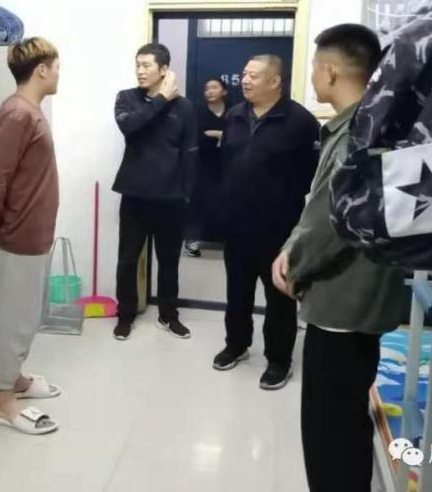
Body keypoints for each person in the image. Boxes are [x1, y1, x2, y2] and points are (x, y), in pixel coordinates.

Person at [271, 25, 404, 491]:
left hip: (343, 304)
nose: (312, 76)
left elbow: (333, 220)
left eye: (314, 67)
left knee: (330, 431)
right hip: (357, 301)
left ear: (329, 70)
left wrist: (293, 262)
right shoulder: (371, 123)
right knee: (343, 421)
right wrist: (293, 247)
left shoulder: (356, 135)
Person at [212, 55, 320, 390]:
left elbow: (311, 175)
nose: (245, 80)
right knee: (237, 290)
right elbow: (226, 164)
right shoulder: (234, 116)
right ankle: (236, 344)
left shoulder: (300, 122)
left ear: (275, 81)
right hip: (237, 223)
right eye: (244, 74)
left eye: (254, 75)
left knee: (280, 296)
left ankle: (279, 359)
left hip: (279, 227)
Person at [0, 37, 62, 436]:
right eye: (56, 67)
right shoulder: (18, 113)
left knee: (26, 315)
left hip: (34, 232)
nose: (58, 74)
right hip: (20, 234)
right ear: (41, 69)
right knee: (17, 319)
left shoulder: (28, 111)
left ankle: (16, 378)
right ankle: (4, 400)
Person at [112, 43, 197, 341]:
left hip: (171, 198)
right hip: (134, 195)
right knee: (127, 259)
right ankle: (125, 315)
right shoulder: (126, 98)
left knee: (169, 261)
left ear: (164, 69)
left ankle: (168, 315)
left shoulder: (185, 108)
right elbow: (131, 127)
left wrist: (187, 193)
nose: (140, 70)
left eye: (146, 65)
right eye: (137, 65)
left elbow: (190, 152)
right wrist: (161, 99)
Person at [183, 78, 228, 258]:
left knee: (228, 201)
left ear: (224, 91)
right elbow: (196, 136)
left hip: (227, 163)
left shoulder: (234, 112)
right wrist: (222, 136)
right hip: (202, 162)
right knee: (198, 201)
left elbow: (238, 136)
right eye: (206, 88)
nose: (209, 91)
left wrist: (218, 134)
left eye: (214, 87)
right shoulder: (198, 111)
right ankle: (192, 240)